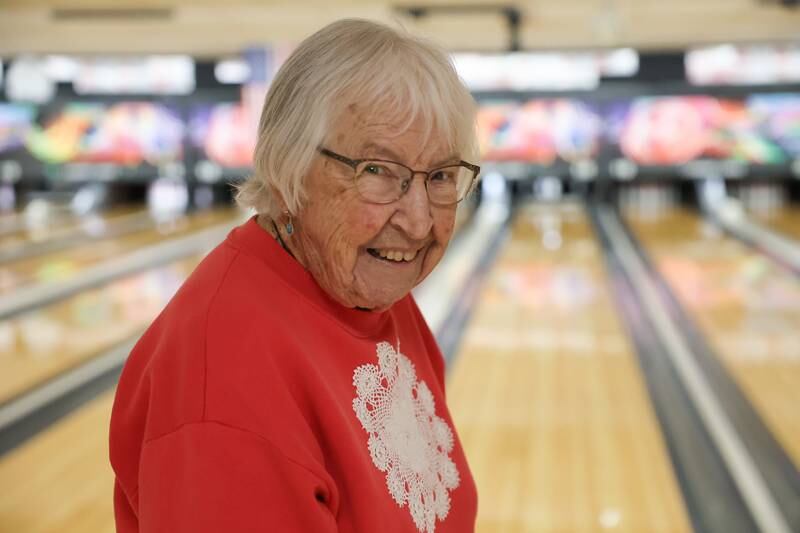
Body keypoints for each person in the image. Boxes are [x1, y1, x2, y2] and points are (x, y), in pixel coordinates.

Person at [109, 18, 481, 533]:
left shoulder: (374, 291)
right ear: (289, 170)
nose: (418, 222)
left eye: (440, 176)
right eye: (376, 170)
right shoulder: (221, 387)